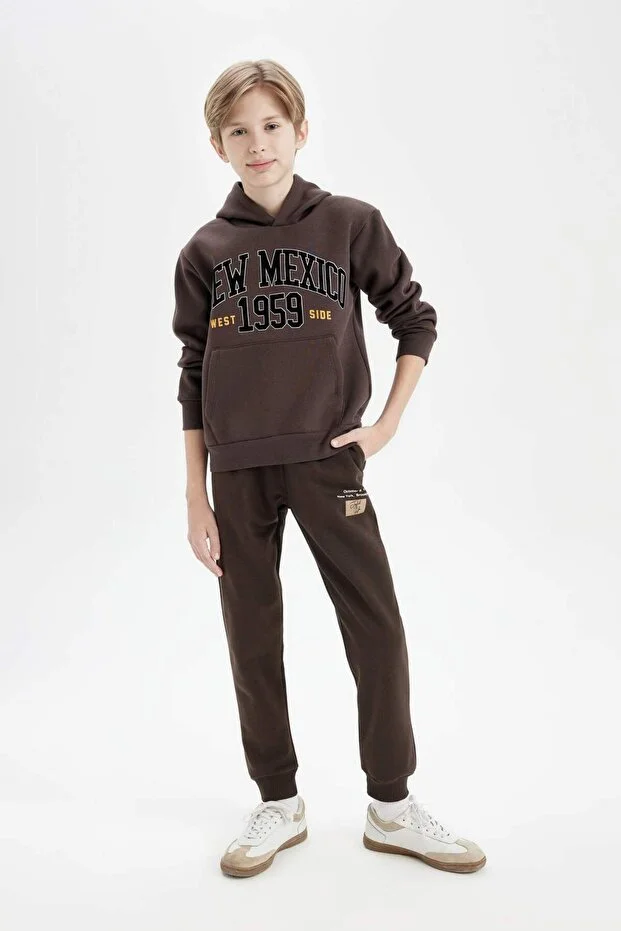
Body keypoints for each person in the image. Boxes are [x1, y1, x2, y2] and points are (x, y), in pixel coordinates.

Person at [172, 58, 487, 879]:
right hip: (238, 472)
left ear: (300, 130)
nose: (257, 143)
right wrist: (195, 495)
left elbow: (413, 318)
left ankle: (392, 805)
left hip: (327, 459)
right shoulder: (205, 249)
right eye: (238, 131)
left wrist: (384, 424)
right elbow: (193, 372)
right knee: (251, 636)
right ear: (217, 145)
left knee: (375, 626)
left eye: (271, 125)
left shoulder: (348, 223)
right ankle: (278, 800)